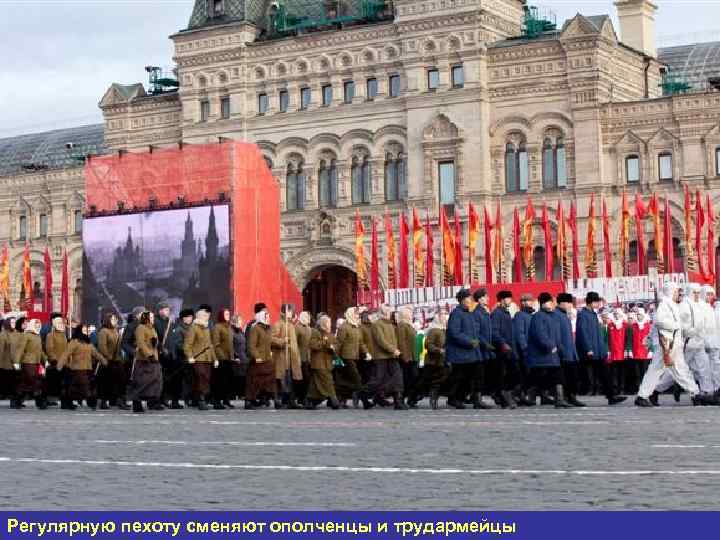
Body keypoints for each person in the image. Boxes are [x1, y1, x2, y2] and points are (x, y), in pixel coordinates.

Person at [635, 282, 704, 407]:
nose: (679, 293)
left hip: (673, 344)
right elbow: (659, 321)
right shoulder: (665, 304)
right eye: (677, 291)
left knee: (681, 370)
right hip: (666, 345)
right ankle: (643, 395)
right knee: (658, 370)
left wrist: (690, 331)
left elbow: (675, 326)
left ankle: (695, 393)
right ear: (672, 291)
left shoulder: (672, 305)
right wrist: (676, 326)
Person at [575, 292, 627, 405]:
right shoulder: (583, 315)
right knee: (581, 374)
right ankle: (571, 395)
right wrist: (588, 348)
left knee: (604, 373)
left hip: (598, 351)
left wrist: (602, 349)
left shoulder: (593, 314)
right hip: (590, 351)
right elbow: (583, 333)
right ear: (591, 302)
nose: (598, 304)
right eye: (597, 301)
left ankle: (611, 396)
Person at [446, 289, 490, 410]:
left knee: (475, 376)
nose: (470, 301)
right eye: (468, 299)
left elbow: (475, 332)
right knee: (460, 378)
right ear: (462, 300)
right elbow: (454, 333)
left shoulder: (469, 314)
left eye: (470, 299)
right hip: (460, 354)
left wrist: (481, 343)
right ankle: (454, 399)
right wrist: (469, 341)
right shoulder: (456, 314)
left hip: (471, 353)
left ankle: (475, 399)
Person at [526, 293, 570, 408]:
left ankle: (557, 399)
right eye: (548, 302)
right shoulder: (538, 316)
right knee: (543, 377)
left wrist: (560, 348)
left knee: (555, 375)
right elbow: (539, 334)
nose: (551, 304)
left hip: (552, 354)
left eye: (551, 301)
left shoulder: (554, 316)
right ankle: (534, 396)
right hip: (542, 355)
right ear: (542, 303)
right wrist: (550, 346)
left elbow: (557, 335)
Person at [365, 305, 406, 410]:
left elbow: (394, 340)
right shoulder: (377, 325)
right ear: (382, 312)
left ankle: (398, 401)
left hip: (392, 356)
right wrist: (393, 350)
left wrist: (396, 350)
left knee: (397, 377)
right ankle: (363, 393)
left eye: (389, 311)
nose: (390, 313)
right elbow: (381, 341)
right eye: (387, 311)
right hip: (381, 356)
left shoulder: (391, 324)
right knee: (378, 380)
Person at [678, 283, 714, 401]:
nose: (697, 295)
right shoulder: (684, 305)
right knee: (678, 370)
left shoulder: (699, 305)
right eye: (695, 292)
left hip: (698, 343)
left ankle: (707, 393)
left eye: (698, 292)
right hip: (688, 343)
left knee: (704, 368)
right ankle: (656, 389)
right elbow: (681, 326)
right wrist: (692, 331)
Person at [57, 324, 106, 410]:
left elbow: (96, 353)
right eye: (84, 330)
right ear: (79, 331)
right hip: (76, 369)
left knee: (77, 387)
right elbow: (66, 354)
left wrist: (103, 360)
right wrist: (60, 364)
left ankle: (68, 402)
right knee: (84, 386)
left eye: (86, 331)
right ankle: (91, 402)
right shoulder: (74, 342)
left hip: (87, 369)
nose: (86, 332)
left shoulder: (88, 343)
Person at [334, 307, 371, 409]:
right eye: (355, 314)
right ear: (350, 314)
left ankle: (340, 399)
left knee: (349, 381)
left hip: (355, 357)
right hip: (346, 357)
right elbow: (338, 343)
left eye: (357, 314)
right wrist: (335, 357)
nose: (357, 316)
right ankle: (365, 402)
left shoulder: (356, 327)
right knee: (357, 380)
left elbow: (361, 343)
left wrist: (366, 353)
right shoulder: (344, 327)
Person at [127, 311, 163, 413]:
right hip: (144, 360)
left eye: (152, 317)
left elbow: (153, 342)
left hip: (154, 359)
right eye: (151, 317)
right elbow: (141, 342)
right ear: (145, 317)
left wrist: (158, 345)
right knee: (142, 382)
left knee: (156, 381)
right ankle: (136, 403)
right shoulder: (141, 328)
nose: (153, 318)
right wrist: (149, 354)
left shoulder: (152, 328)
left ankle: (152, 401)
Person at [553, 293, 585, 407]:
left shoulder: (564, 315)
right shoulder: (556, 315)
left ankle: (571, 397)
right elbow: (556, 335)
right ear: (561, 303)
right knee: (566, 377)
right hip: (563, 352)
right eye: (568, 303)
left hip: (570, 352)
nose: (570, 305)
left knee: (572, 376)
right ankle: (565, 398)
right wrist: (561, 350)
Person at [491, 290, 521, 408]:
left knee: (513, 374)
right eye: (508, 298)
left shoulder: (506, 313)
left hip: (510, 350)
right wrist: (503, 344)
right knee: (503, 376)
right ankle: (504, 398)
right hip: (501, 351)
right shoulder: (497, 313)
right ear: (502, 300)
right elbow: (494, 332)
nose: (510, 300)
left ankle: (502, 396)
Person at [246, 306, 281, 410]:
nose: (269, 318)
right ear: (261, 317)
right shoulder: (255, 328)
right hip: (258, 360)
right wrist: (256, 356)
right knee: (254, 381)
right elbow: (252, 345)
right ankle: (249, 400)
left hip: (267, 359)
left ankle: (275, 400)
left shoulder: (269, 328)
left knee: (271, 381)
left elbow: (270, 341)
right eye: (267, 317)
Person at [184, 305, 218, 411]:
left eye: (208, 315)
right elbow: (187, 344)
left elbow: (210, 345)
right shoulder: (194, 328)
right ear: (199, 316)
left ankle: (199, 399)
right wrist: (189, 356)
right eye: (205, 315)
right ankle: (201, 401)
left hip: (207, 358)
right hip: (198, 358)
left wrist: (215, 358)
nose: (207, 316)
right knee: (200, 379)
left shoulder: (206, 328)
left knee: (205, 379)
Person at [271, 304, 303, 409]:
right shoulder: (278, 324)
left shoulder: (291, 325)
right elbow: (272, 339)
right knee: (281, 380)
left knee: (290, 380)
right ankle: (278, 400)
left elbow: (294, 343)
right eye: (289, 311)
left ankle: (291, 401)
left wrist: (296, 356)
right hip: (281, 357)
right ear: (285, 312)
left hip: (291, 357)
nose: (291, 313)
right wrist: (282, 341)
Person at [306, 315, 340, 410]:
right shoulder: (315, 332)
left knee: (316, 384)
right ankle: (334, 401)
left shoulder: (330, 334)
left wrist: (333, 347)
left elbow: (336, 344)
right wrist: (324, 343)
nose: (330, 324)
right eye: (328, 322)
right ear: (324, 324)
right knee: (328, 381)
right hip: (318, 362)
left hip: (327, 362)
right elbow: (313, 345)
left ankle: (311, 401)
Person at [416, 310, 449, 410]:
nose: (445, 317)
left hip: (441, 361)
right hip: (432, 361)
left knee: (437, 381)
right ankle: (413, 397)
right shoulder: (433, 330)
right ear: (438, 317)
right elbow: (428, 344)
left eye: (445, 315)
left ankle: (433, 399)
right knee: (424, 381)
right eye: (443, 315)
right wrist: (438, 350)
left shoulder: (444, 330)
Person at [13, 319, 47, 409]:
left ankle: (17, 401)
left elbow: (40, 350)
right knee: (35, 381)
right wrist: (16, 362)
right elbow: (20, 348)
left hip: (36, 362)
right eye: (36, 325)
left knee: (25, 383)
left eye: (39, 325)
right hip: (28, 362)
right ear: (32, 325)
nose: (38, 327)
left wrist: (45, 359)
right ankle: (39, 402)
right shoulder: (26, 335)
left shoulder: (38, 336)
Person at [154, 302, 183, 410]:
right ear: (159, 310)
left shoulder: (172, 322)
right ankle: (159, 400)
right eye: (164, 309)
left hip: (172, 355)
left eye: (167, 309)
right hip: (160, 355)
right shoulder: (155, 322)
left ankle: (173, 401)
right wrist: (161, 349)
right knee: (160, 379)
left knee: (174, 379)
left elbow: (175, 338)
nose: (166, 311)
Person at [96, 313, 128, 410]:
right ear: (107, 320)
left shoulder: (116, 331)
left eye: (115, 319)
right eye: (113, 319)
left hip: (117, 360)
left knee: (121, 381)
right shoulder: (103, 331)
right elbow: (102, 347)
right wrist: (108, 357)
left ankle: (119, 401)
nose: (115, 321)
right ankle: (103, 402)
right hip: (107, 361)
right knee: (106, 382)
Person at [471, 288, 496, 409]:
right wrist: (485, 344)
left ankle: (476, 397)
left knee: (482, 374)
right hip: (480, 350)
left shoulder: (485, 312)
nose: (488, 298)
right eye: (486, 297)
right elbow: (477, 333)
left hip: (486, 350)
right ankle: (477, 399)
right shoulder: (477, 313)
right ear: (480, 299)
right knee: (479, 375)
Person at [167, 308, 194, 406]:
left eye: (191, 317)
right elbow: (179, 345)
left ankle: (188, 399)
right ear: (183, 318)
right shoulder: (179, 329)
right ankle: (175, 401)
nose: (190, 318)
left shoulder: (191, 328)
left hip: (189, 359)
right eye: (188, 317)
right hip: (180, 360)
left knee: (189, 381)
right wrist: (189, 351)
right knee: (178, 381)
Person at [513, 293, 535, 405]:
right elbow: (519, 334)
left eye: (529, 301)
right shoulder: (520, 315)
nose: (527, 303)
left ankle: (523, 395)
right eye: (524, 301)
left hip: (531, 351)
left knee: (529, 375)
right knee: (524, 374)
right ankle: (518, 395)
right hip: (524, 352)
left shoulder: (531, 315)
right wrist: (524, 348)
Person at [211, 307, 235, 409]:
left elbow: (230, 344)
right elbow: (216, 344)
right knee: (219, 381)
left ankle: (226, 399)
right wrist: (221, 357)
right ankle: (217, 401)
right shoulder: (217, 327)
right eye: (226, 314)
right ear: (221, 315)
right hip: (221, 359)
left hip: (229, 359)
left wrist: (233, 356)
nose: (228, 316)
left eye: (228, 314)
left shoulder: (229, 327)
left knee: (228, 381)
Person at [395, 307, 418, 408]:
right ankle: (401, 399)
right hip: (406, 357)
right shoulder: (401, 325)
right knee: (406, 378)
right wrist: (404, 355)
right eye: (409, 313)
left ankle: (410, 399)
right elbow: (401, 341)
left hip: (412, 356)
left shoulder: (409, 325)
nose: (411, 315)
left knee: (412, 378)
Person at [43, 313, 67, 407]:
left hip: (63, 362)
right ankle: (49, 399)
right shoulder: (50, 334)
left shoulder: (64, 335)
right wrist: (53, 359)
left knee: (61, 382)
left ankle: (58, 399)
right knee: (52, 381)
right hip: (55, 363)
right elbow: (49, 348)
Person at [702, 285, 720, 398]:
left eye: (711, 294)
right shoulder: (701, 307)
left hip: (713, 343)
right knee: (703, 369)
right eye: (707, 294)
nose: (710, 296)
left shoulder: (711, 308)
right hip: (702, 343)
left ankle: (714, 390)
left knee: (714, 368)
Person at [630, 308, 652, 393]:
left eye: (639, 314)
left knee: (645, 372)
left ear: (643, 315)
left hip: (645, 352)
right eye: (637, 315)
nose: (638, 316)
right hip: (636, 352)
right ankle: (638, 388)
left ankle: (646, 388)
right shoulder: (634, 326)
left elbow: (651, 339)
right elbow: (631, 339)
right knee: (637, 373)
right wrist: (631, 350)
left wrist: (651, 350)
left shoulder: (648, 326)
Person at [607, 308, 627, 396]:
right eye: (615, 314)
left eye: (617, 314)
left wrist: (627, 350)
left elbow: (628, 339)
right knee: (614, 372)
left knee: (622, 372)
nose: (616, 315)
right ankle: (615, 388)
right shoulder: (610, 325)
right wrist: (608, 350)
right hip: (614, 352)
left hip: (622, 352)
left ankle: (622, 388)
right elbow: (608, 339)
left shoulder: (625, 325)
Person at [294, 311, 313, 404]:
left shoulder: (309, 328)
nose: (309, 318)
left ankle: (304, 397)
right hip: (300, 357)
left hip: (308, 357)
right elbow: (295, 343)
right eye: (307, 317)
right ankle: (302, 397)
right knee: (303, 378)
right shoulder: (297, 327)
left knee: (307, 378)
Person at [230, 314, 248, 403]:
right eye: (240, 321)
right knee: (236, 377)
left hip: (243, 357)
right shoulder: (231, 332)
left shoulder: (241, 332)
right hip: (236, 359)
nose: (241, 322)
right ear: (235, 322)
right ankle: (234, 394)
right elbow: (231, 346)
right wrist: (235, 356)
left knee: (242, 377)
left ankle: (241, 394)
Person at [0, 318, 17, 406]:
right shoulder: (3, 334)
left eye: (14, 322)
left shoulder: (16, 333)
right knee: (8, 382)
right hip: (6, 363)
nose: (14, 324)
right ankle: (13, 401)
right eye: (12, 322)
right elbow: (1, 350)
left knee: (14, 382)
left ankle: (14, 400)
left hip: (16, 362)